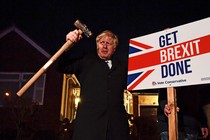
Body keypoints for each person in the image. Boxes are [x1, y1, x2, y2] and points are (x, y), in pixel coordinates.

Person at [57, 29, 130, 140]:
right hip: (88, 128)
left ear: (114, 48)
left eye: (108, 43)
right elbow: (61, 66)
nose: (105, 46)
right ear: (97, 46)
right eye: (102, 42)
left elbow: (141, 83)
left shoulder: (123, 66)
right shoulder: (85, 61)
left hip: (116, 130)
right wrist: (68, 44)